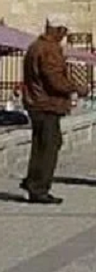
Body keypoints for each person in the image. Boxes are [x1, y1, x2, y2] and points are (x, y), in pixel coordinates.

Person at [20, 14, 89, 204]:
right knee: (49, 146)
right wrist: (77, 88)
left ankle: (32, 181)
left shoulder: (35, 46)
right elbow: (54, 80)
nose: (64, 35)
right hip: (47, 104)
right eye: (64, 31)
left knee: (42, 144)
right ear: (57, 30)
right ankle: (39, 189)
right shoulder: (49, 49)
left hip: (37, 103)